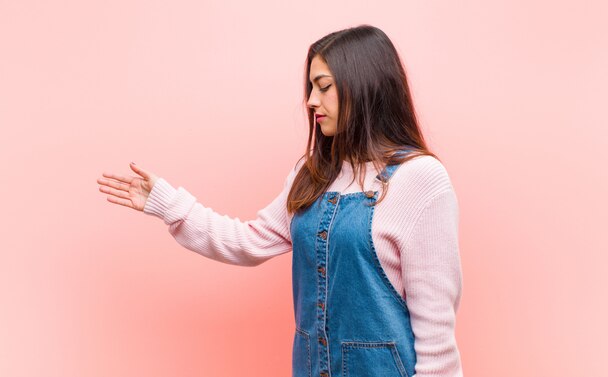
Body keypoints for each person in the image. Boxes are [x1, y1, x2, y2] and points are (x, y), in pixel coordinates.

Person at [97, 24, 463, 377]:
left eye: (324, 87)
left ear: (363, 87)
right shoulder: (314, 172)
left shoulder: (421, 180)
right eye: (310, 87)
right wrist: (168, 203)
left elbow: (437, 344)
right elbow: (248, 241)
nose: (311, 101)